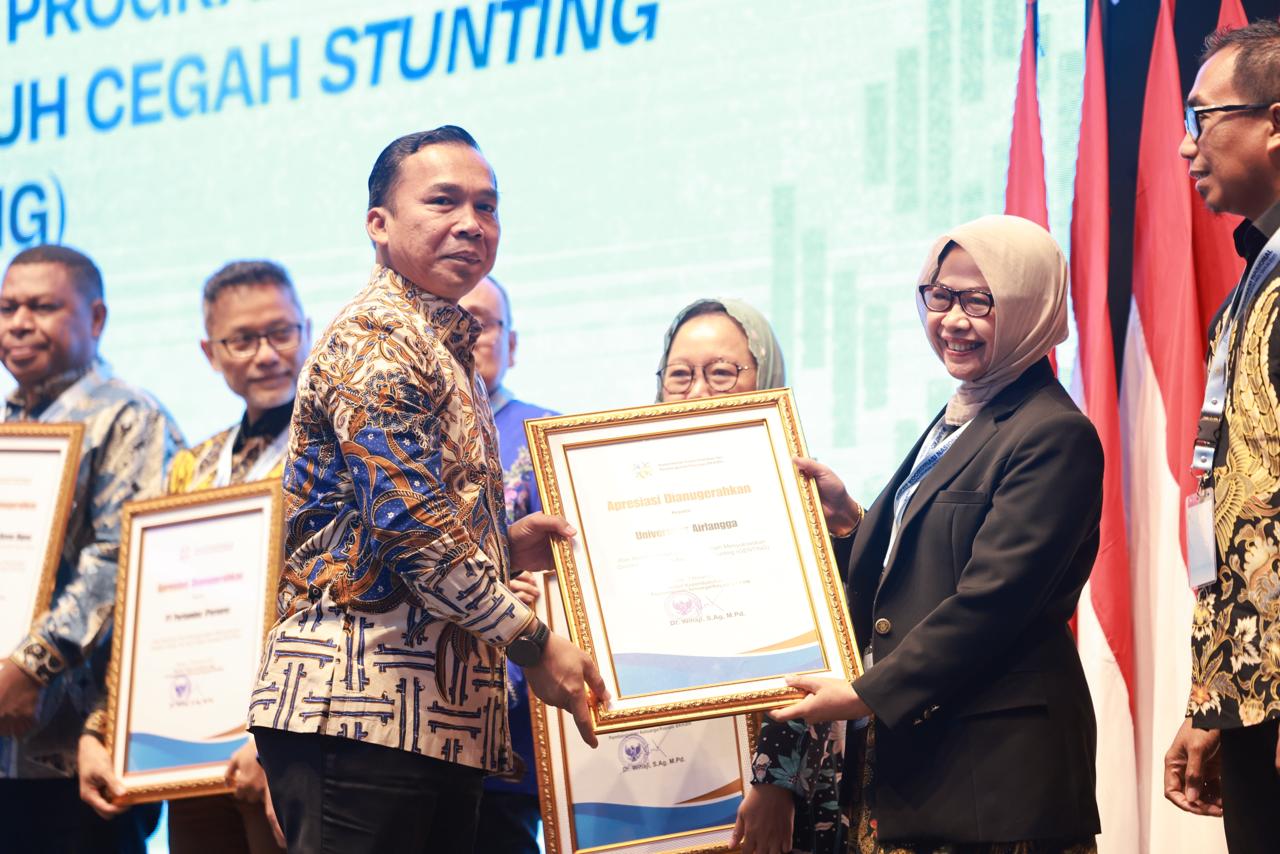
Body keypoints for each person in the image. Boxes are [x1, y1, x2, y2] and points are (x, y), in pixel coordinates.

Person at [246, 126, 607, 853]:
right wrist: (535, 644)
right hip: (359, 714)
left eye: (487, 206)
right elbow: (410, 531)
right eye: (443, 201)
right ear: (378, 224)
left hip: (428, 722)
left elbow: (380, 528)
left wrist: (501, 548)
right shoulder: (378, 335)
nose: (471, 223)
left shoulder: (441, 342)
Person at [733, 215, 1103, 854]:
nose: (953, 320)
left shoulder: (1051, 432)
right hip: (926, 769)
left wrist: (863, 693)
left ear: (1030, 305)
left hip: (999, 783)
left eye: (979, 300)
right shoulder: (963, 413)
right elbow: (915, 572)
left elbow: (993, 601)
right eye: (940, 296)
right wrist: (850, 522)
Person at [77, 259, 308, 853]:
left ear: (307, 331)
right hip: (193, 748)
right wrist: (102, 729)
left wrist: (276, 733)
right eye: (242, 340)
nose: (265, 354)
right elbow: (146, 614)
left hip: (297, 745)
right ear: (210, 352)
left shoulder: (336, 454)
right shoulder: (193, 468)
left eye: (281, 332)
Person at [0, 244, 183, 853]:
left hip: (79, 742)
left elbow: (119, 558)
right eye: (7, 308)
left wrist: (32, 662)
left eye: (43, 306)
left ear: (95, 318)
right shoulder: (7, 424)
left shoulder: (129, 416)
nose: (19, 322)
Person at [658, 298, 849, 854]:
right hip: (659, 785)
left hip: (772, 791)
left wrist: (774, 781)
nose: (697, 393)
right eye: (680, 375)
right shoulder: (616, 504)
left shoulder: (801, 498)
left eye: (721, 373)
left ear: (765, 378)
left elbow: (810, 657)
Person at [1164, 20, 1280, 852]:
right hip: (1255, 698)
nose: (1185, 144)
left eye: (1204, 117)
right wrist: (1216, 695)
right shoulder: (1255, 278)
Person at [458, 275, 557, 854]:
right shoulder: (409, 435)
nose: (469, 333)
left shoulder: (549, 434)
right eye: (456, 318)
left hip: (524, 711)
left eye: (485, 322)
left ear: (512, 342)